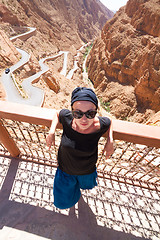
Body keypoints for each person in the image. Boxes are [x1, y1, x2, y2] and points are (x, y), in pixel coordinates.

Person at [46, 87, 114, 209]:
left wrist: (110, 140)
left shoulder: (99, 125)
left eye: (90, 114)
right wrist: (51, 132)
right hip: (65, 170)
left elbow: (110, 122)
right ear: (72, 111)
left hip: (87, 170)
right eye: (78, 113)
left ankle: (77, 191)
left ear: (96, 112)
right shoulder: (67, 119)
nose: (84, 119)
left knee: (82, 186)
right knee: (62, 202)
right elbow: (57, 114)